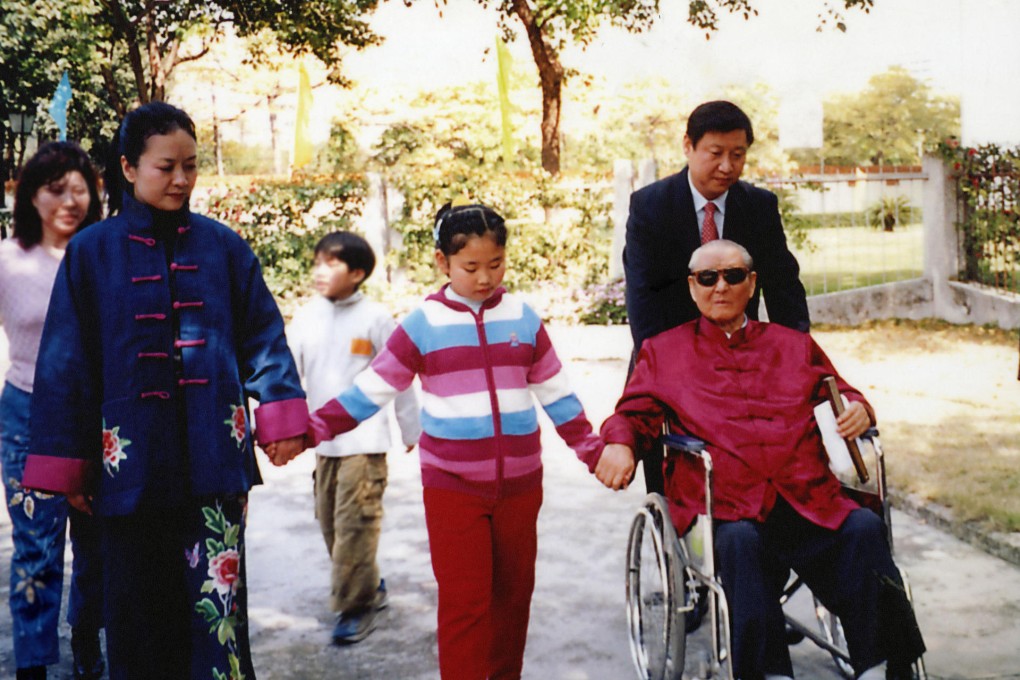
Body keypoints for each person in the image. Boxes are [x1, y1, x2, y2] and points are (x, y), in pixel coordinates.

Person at [274, 201, 633, 679]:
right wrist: (311, 431)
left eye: (496, 264)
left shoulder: (523, 318)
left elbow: (557, 394)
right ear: (443, 263)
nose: (485, 278)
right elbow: (373, 389)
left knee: (513, 598)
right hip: (452, 487)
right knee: (465, 603)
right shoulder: (423, 324)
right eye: (471, 267)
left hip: (521, 486)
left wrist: (593, 451)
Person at [21, 102, 308, 680]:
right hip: (126, 470)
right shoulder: (92, 252)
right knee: (135, 615)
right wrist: (69, 463)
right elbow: (65, 363)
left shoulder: (223, 248)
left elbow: (262, 335)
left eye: (191, 166)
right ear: (128, 168)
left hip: (215, 463)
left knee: (216, 613)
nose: (181, 179)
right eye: (165, 167)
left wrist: (279, 412)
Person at [601, 239, 925, 680]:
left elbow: (842, 392)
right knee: (741, 544)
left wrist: (858, 408)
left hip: (807, 499)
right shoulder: (662, 351)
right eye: (708, 278)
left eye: (733, 276)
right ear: (692, 287)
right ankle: (769, 673)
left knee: (864, 527)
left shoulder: (793, 345)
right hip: (725, 509)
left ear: (751, 284)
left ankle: (881, 666)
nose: (721, 287)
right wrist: (619, 445)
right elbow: (632, 416)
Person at [623, 100, 810, 493]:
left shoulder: (759, 207)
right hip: (671, 359)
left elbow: (783, 286)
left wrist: (795, 355)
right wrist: (669, 368)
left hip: (745, 360)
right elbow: (644, 298)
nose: (727, 166)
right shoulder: (651, 207)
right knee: (674, 476)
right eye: (716, 153)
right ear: (688, 146)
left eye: (738, 155)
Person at [1, 142, 105, 680]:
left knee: (97, 542)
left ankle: (88, 640)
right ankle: (35, 661)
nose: (70, 200)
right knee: (37, 548)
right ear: (30, 195)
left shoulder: (106, 254)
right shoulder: (7, 260)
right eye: (56, 189)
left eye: (80, 188)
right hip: (28, 416)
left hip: (98, 418)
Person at [287, 231, 422, 644]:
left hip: (365, 443)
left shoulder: (377, 318)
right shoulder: (306, 316)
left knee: (355, 527)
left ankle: (355, 607)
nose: (320, 272)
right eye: (317, 262)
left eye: (332, 264)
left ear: (358, 273)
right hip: (323, 443)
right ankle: (368, 583)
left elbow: (400, 375)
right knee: (330, 523)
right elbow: (289, 376)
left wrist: (409, 426)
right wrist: (286, 428)